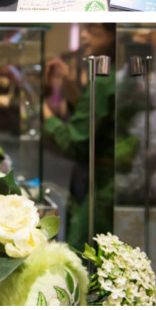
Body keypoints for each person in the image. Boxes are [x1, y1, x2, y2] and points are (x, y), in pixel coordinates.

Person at [42, 23, 116, 252]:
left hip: (100, 185)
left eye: (93, 30)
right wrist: (66, 81)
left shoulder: (103, 80)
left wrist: (44, 112)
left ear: (113, 35)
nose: (83, 35)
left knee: (84, 253)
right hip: (97, 180)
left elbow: (75, 143)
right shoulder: (108, 75)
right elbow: (90, 113)